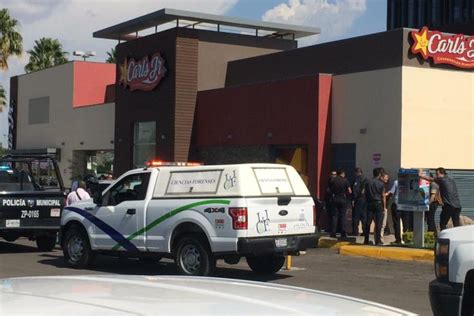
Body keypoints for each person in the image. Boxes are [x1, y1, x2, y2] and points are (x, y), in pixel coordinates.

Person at [364, 168, 387, 245]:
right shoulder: (381, 183)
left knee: (368, 222)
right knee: (378, 223)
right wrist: (384, 207)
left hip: (369, 203)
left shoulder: (368, 182)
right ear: (379, 174)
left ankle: (366, 239)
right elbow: (383, 196)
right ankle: (378, 240)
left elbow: (364, 193)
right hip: (378, 203)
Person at [328, 170, 352, 238]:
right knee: (343, 216)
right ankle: (343, 232)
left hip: (335, 199)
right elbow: (350, 191)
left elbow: (329, 190)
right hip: (343, 199)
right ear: (342, 174)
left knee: (334, 216)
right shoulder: (345, 180)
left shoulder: (333, 180)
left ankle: (333, 233)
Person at [351, 167, 367, 236]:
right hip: (365, 200)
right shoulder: (365, 179)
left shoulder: (357, 179)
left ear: (357, 172)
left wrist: (354, 199)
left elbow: (356, 190)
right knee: (364, 216)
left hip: (359, 200)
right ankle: (365, 231)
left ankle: (355, 232)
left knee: (356, 216)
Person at [388, 178, 403, 244]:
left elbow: (391, 193)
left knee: (396, 223)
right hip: (407, 205)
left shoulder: (396, 182)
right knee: (406, 223)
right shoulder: (409, 182)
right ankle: (406, 238)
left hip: (397, 205)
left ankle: (398, 239)